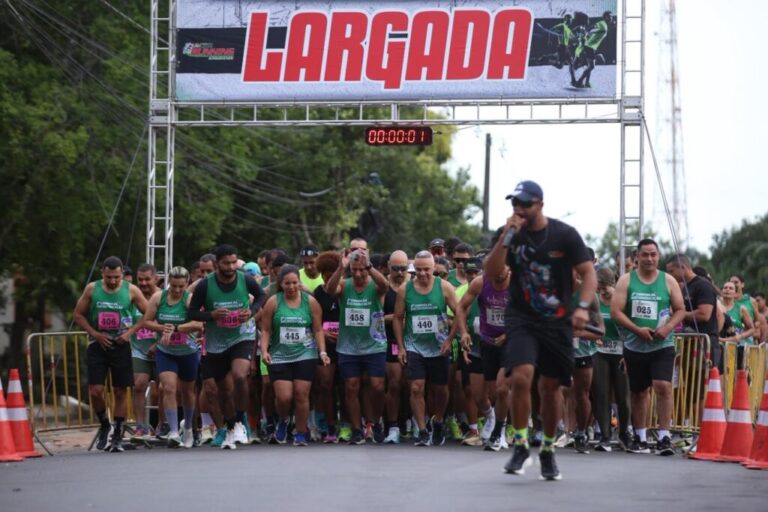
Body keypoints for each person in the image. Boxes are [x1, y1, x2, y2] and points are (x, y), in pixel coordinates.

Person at [484, 180, 596, 481]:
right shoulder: (510, 236)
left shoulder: (564, 235)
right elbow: (491, 272)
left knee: (550, 388)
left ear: (540, 206)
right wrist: (506, 237)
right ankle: (520, 444)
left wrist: (583, 307)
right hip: (522, 318)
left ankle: (547, 449)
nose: (519, 210)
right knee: (520, 377)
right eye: (514, 204)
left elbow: (588, 273)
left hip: (556, 320)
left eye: (525, 204)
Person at [611, 239, 686, 456]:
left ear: (659, 256)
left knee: (662, 385)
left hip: (662, 344)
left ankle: (664, 436)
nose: (649, 258)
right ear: (637, 258)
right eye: (645, 255)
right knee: (638, 392)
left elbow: (680, 309)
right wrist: (637, 330)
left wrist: (668, 327)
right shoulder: (626, 281)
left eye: (653, 254)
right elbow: (616, 312)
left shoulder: (669, 280)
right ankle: (641, 437)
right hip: (635, 346)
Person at [188, 244, 266, 450]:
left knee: (240, 376)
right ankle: (230, 426)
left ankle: (241, 421)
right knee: (222, 390)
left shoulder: (245, 279)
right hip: (216, 342)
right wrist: (211, 316)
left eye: (234, 262)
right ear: (217, 264)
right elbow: (192, 313)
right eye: (226, 263)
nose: (231, 267)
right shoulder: (205, 285)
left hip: (242, 336)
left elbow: (261, 297)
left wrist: (251, 311)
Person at [73, 256, 149, 452]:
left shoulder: (131, 290)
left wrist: (130, 333)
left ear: (122, 274)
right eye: (109, 277)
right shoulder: (92, 289)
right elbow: (78, 315)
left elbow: (149, 313)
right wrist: (95, 334)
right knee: (95, 391)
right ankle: (104, 424)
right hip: (98, 345)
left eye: (116, 277)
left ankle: (117, 431)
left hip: (121, 344)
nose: (113, 281)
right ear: (102, 273)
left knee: (120, 391)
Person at [393, 250, 462, 447]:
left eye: (427, 270)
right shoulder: (405, 290)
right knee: (416, 388)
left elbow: (459, 313)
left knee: (441, 390)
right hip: (414, 346)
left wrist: (450, 339)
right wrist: (401, 346)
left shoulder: (445, 288)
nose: (422, 274)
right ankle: (423, 430)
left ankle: (438, 420)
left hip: (439, 346)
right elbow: (398, 318)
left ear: (434, 269)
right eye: (419, 270)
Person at [261, 265, 331, 446]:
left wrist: (322, 352)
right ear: (281, 284)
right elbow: (266, 329)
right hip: (280, 355)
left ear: (299, 283)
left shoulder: (310, 302)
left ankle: (301, 431)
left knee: (301, 395)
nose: (291, 287)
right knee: (284, 397)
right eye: (287, 283)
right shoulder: (273, 302)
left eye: (294, 283)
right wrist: (264, 351)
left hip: (305, 353)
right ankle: (284, 419)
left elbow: (317, 329)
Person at [324, 249, 389, 444]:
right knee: (351, 387)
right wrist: (340, 269)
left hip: (374, 345)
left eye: (362, 270)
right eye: (355, 270)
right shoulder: (345, 285)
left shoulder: (374, 285)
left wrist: (369, 266)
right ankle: (356, 429)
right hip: (348, 347)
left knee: (377, 387)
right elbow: (329, 290)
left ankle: (376, 422)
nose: (359, 274)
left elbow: (385, 285)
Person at [142, 266, 204, 448]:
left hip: (188, 352)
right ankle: (174, 431)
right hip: (166, 351)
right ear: (169, 282)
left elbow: (199, 324)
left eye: (181, 287)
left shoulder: (189, 299)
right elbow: (146, 321)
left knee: (187, 391)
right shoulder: (158, 298)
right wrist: (162, 329)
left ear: (187, 285)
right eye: (174, 286)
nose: (177, 290)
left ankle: (190, 430)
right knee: (168, 387)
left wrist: (177, 328)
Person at [458, 259, 512, 450]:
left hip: (510, 343)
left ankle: (500, 432)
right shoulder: (480, 282)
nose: (498, 274)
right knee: (490, 393)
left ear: (509, 268)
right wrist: (464, 332)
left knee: (502, 388)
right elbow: (461, 306)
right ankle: (495, 421)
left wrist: (508, 334)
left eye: (502, 269)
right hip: (487, 342)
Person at [591, 268, 631, 452]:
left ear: (612, 283)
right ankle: (605, 435)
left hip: (621, 351)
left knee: (622, 395)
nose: (602, 292)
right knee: (601, 392)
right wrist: (594, 334)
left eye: (605, 288)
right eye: (599, 289)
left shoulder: (621, 299)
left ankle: (624, 433)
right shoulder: (596, 300)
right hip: (600, 351)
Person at [383, 250, 411, 444]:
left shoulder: (415, 284)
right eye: (396, 269)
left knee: (414, 385)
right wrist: (397, 317)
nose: (400, 273)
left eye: (403, 268)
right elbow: (376, 317)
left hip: (414, 341)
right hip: (390, 341)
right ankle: (392, 425)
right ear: (388, 267)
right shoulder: (383, 287)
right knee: (394, 384)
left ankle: (414, 422)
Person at [129, 264, 160, 440]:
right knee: (139, 385)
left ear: (155, 278)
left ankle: (163, 426)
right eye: (140, 279)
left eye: (147, 279)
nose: (143, 283)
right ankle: (140, 426)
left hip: (163, 349)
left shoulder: (163, 297)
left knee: (164, 388)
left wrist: (157, 345)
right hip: (139, 350)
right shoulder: (132, 297)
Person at [574, 11, 612, 88]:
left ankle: (587, 82)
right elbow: (593, 26)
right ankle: (579, 81)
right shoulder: (602, 23)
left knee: (590, 65)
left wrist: (589, 33)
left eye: (611, 17)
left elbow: (596, 31)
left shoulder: (605, 26)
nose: (611, 18)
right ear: (605, 17)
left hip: (592, 47)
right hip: (589, 46)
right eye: (609, 16)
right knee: (591, 66)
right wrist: (586, 31)